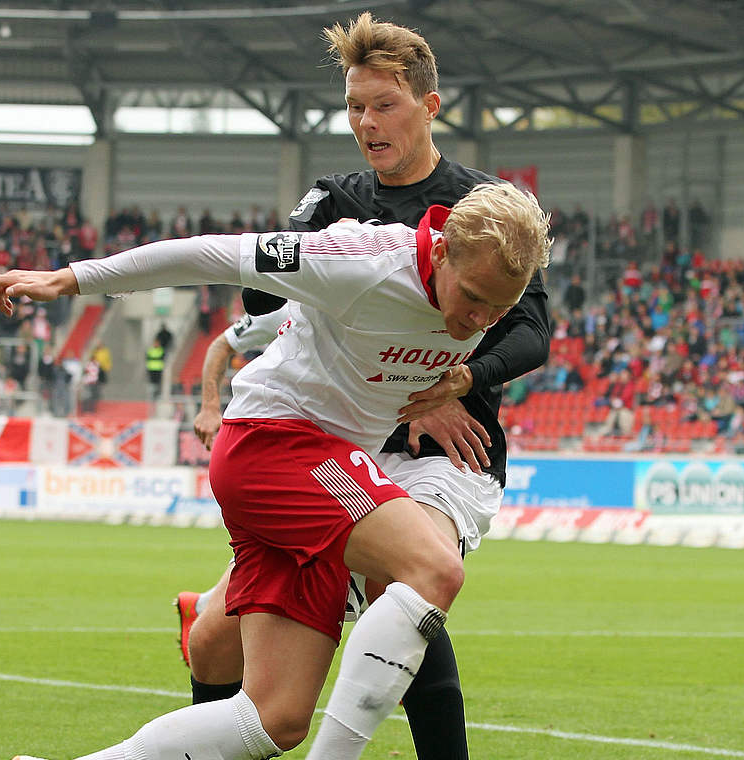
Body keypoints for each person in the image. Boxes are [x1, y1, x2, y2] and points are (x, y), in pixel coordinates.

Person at [0, 180, 552, 760]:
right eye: (474, 296)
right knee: (434, 568)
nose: (479, 318)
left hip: (317, 469)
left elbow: (502, 339)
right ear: (441, 252)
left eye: (499, 308)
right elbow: (207, 253)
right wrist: (73, 278)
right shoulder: (362, 260)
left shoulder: (484, 288)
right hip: (274, 444)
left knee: (274, 720)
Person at [206, 13, 553, 759]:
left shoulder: (483, 210)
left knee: (418, 579)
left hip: (444, 456)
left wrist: (460, 377)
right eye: (356, 106)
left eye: (384, 105)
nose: (366, 122)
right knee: (218, 632)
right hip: (337, 445)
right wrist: (311, 255)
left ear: (429, 106)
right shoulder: (335, 200)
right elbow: (259, 304)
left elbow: (532, 334)